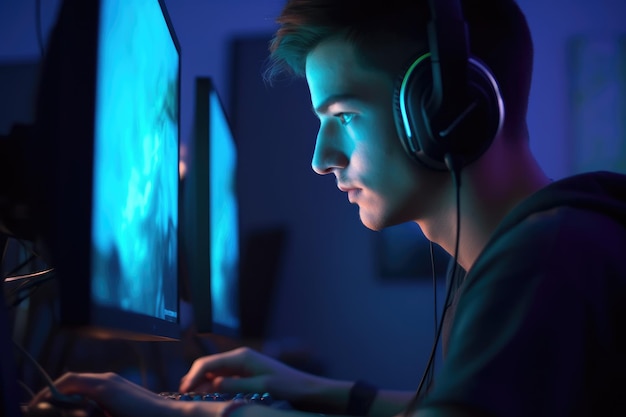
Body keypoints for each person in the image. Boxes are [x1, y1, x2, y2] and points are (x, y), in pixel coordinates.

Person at [29, 0, 626, 416]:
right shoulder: (535, 245)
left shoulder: (549, 258)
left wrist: (192, 416)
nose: (321, 158)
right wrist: (310, 388)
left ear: (447, 113)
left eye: (343, 117)